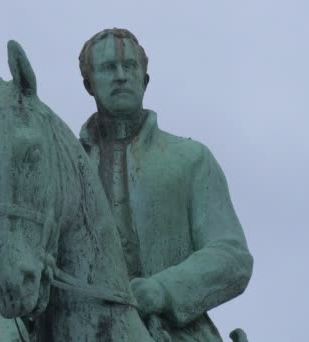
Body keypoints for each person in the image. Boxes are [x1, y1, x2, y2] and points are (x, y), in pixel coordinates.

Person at [77, 28, 254, 341]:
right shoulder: (69, 166)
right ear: (88, 84)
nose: (121, 76)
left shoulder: (190, 158)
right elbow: (27, 260)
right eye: (107, 68)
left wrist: (163, 289)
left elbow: (233, 257)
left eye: (130, 66)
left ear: (145, 79)